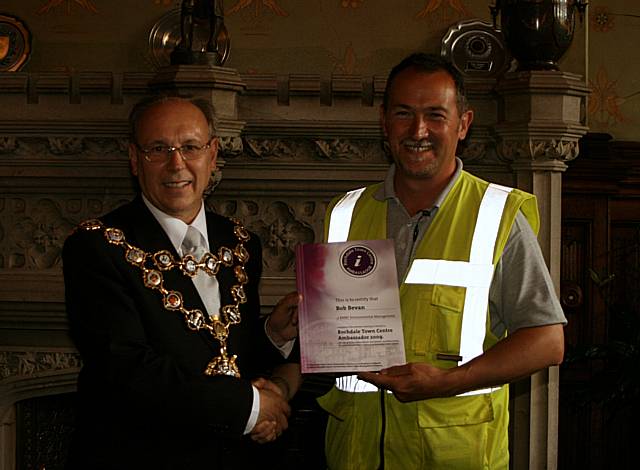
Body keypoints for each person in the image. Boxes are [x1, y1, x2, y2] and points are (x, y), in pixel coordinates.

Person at [317, 53, 567, 469]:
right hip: (355, 453)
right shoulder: (345, 213)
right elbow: (335, 336)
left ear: (463, 124)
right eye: (403, 114)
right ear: (384, 122)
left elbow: (547, 341)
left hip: (456, 454)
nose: (418, 131)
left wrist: (449, 382)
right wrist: (294, 325)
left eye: (435, 115)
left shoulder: (496, 215)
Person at [62, 93, 300, 470]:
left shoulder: (240, 243)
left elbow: (221, 353)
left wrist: (273, 333)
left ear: (213, 154)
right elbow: (127, 370)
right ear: (134, 159)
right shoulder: (95, 246)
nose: (177, 164)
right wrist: (251, 408)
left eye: (190, 147)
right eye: (158, 148)